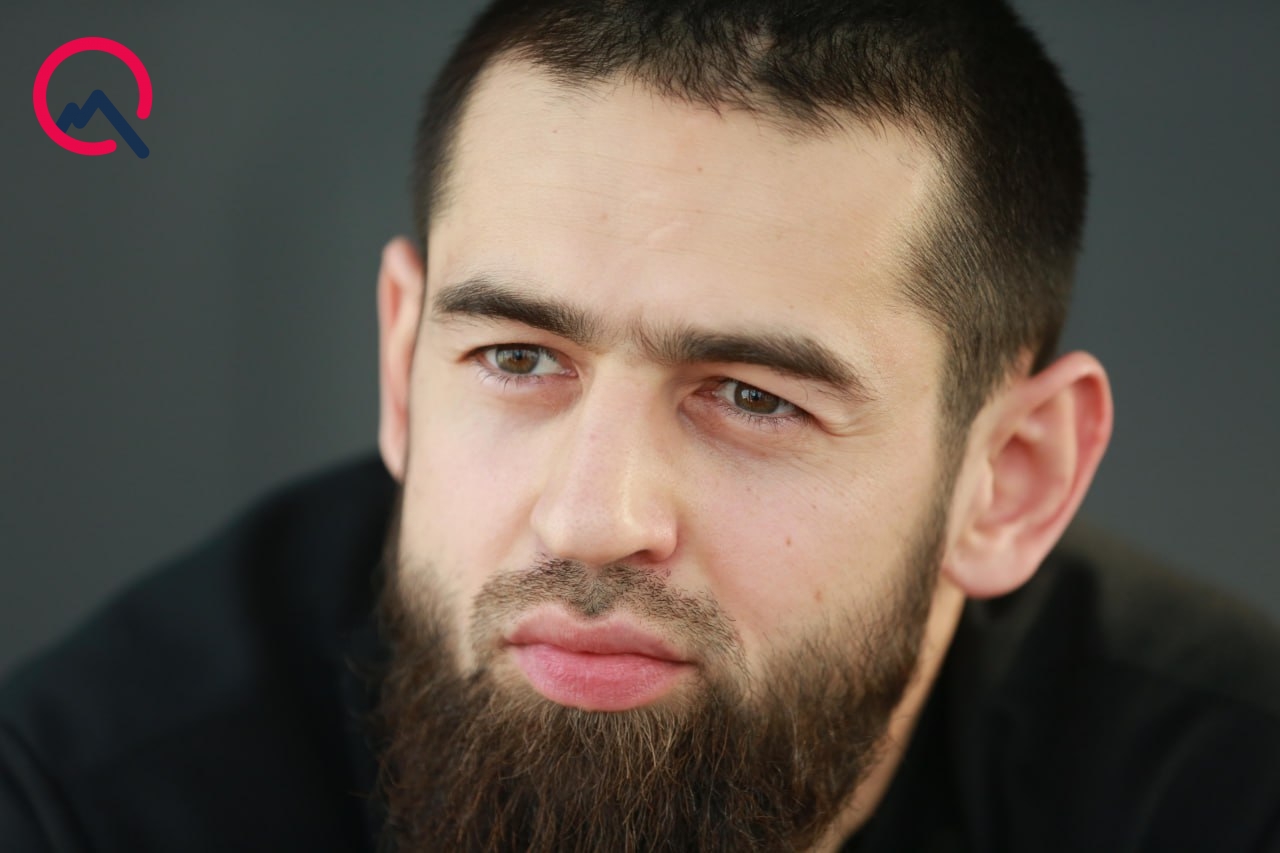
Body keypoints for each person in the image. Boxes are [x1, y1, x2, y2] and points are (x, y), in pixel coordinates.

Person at [3, 0, 1279, 849]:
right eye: (515, 358)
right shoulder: (88, 802)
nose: (587, 518)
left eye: (753, 395)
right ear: (401, 369)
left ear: (1009, 479)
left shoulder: (1226, 798)